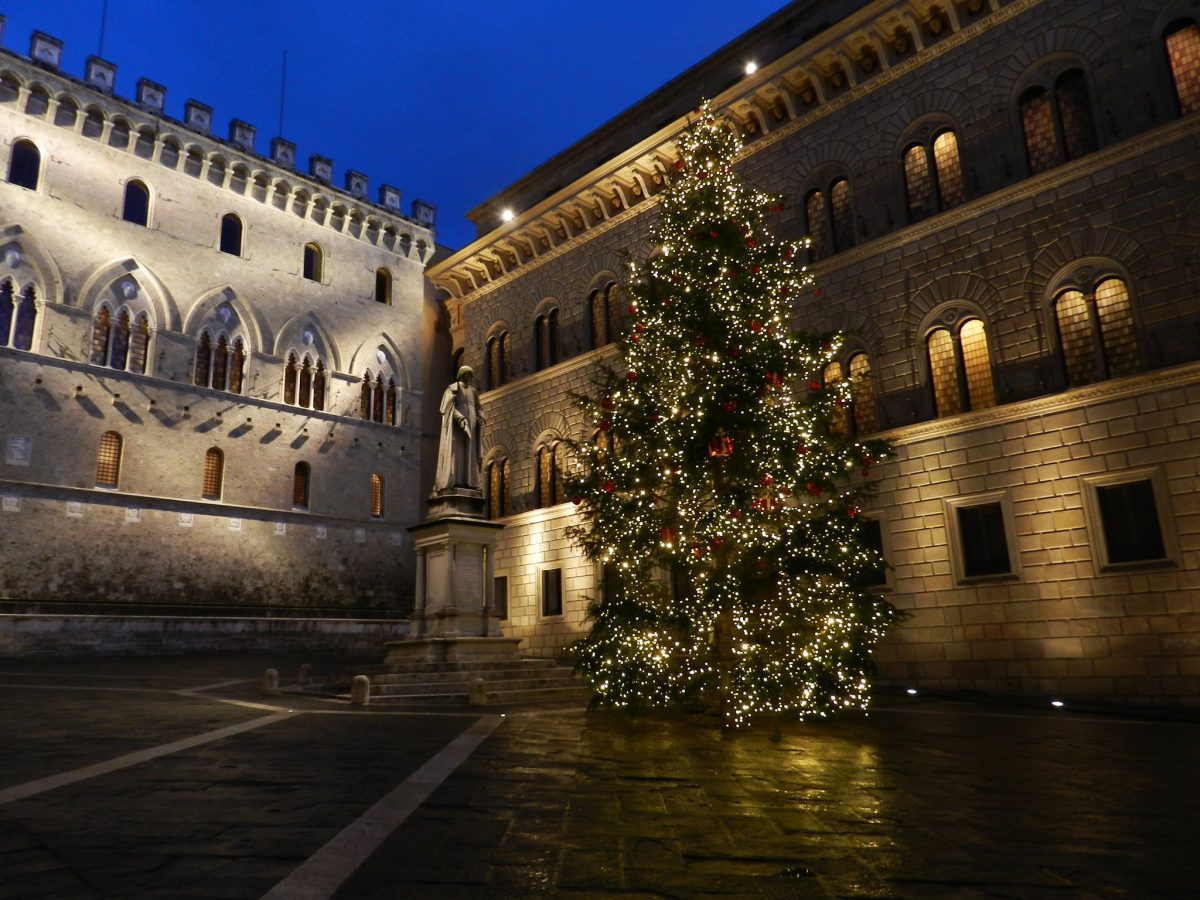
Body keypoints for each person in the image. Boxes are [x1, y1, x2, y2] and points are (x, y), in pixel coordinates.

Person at [433, 366, 483, 492]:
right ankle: (456, 481)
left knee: (470, 452)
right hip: (457, 427)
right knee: (458, 452)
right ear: (463, 375)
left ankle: (469, 481)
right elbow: (449, 408)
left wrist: (480, 416)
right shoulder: (453, 389)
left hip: (471, 425)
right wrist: (460, 419)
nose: (471, 378)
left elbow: (478, 407)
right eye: (469, 375)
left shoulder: (473, 391)